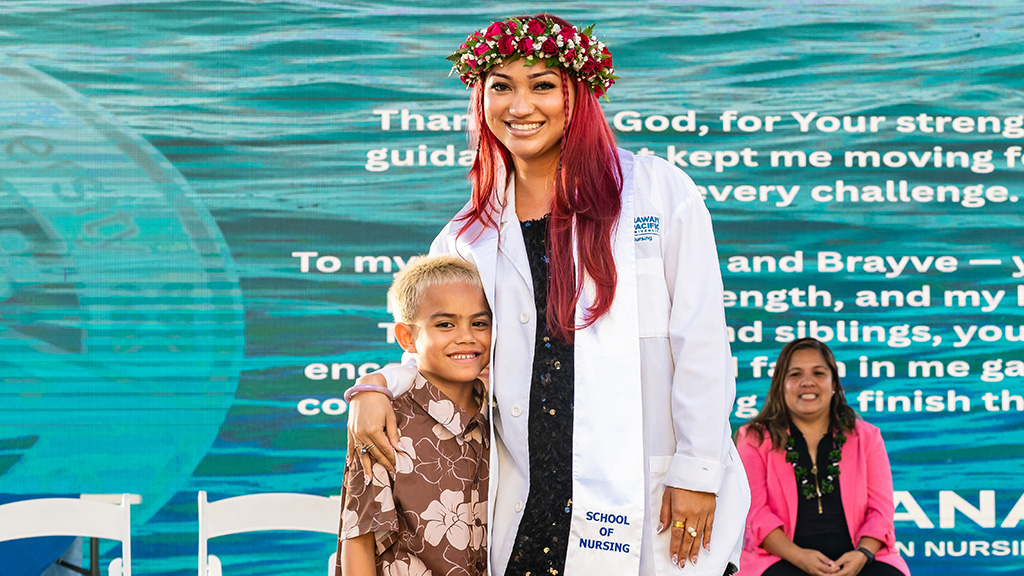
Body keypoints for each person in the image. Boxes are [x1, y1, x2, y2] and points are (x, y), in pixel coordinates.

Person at [347, 13, 748, 576]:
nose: (520, 106)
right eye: (501, 87)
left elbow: (701, 339)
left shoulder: (656, 191)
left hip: (647, 487)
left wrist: (697, 470)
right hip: (533, 498)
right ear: (480, 98)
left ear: (577, 94)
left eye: (542, 85)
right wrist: (374, 384)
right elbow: (439, 351)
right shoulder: (468, 235)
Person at [337, 256, 491, 576]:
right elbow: (359, 540)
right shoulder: (384, 423)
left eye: (479, 323)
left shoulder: (506, 416)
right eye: (445, 324)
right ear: (407, 337)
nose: (466, 336)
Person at [734, 338, 910, 576]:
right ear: (780, 384)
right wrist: (800, 557)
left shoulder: (867, 437)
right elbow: (755, 514)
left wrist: (862, 554)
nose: (807, 382)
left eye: (818, 373)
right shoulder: (754, 438)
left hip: (859, 558)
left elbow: (881, 511)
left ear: (834, 382)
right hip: (781, 559)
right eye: (795, 374)